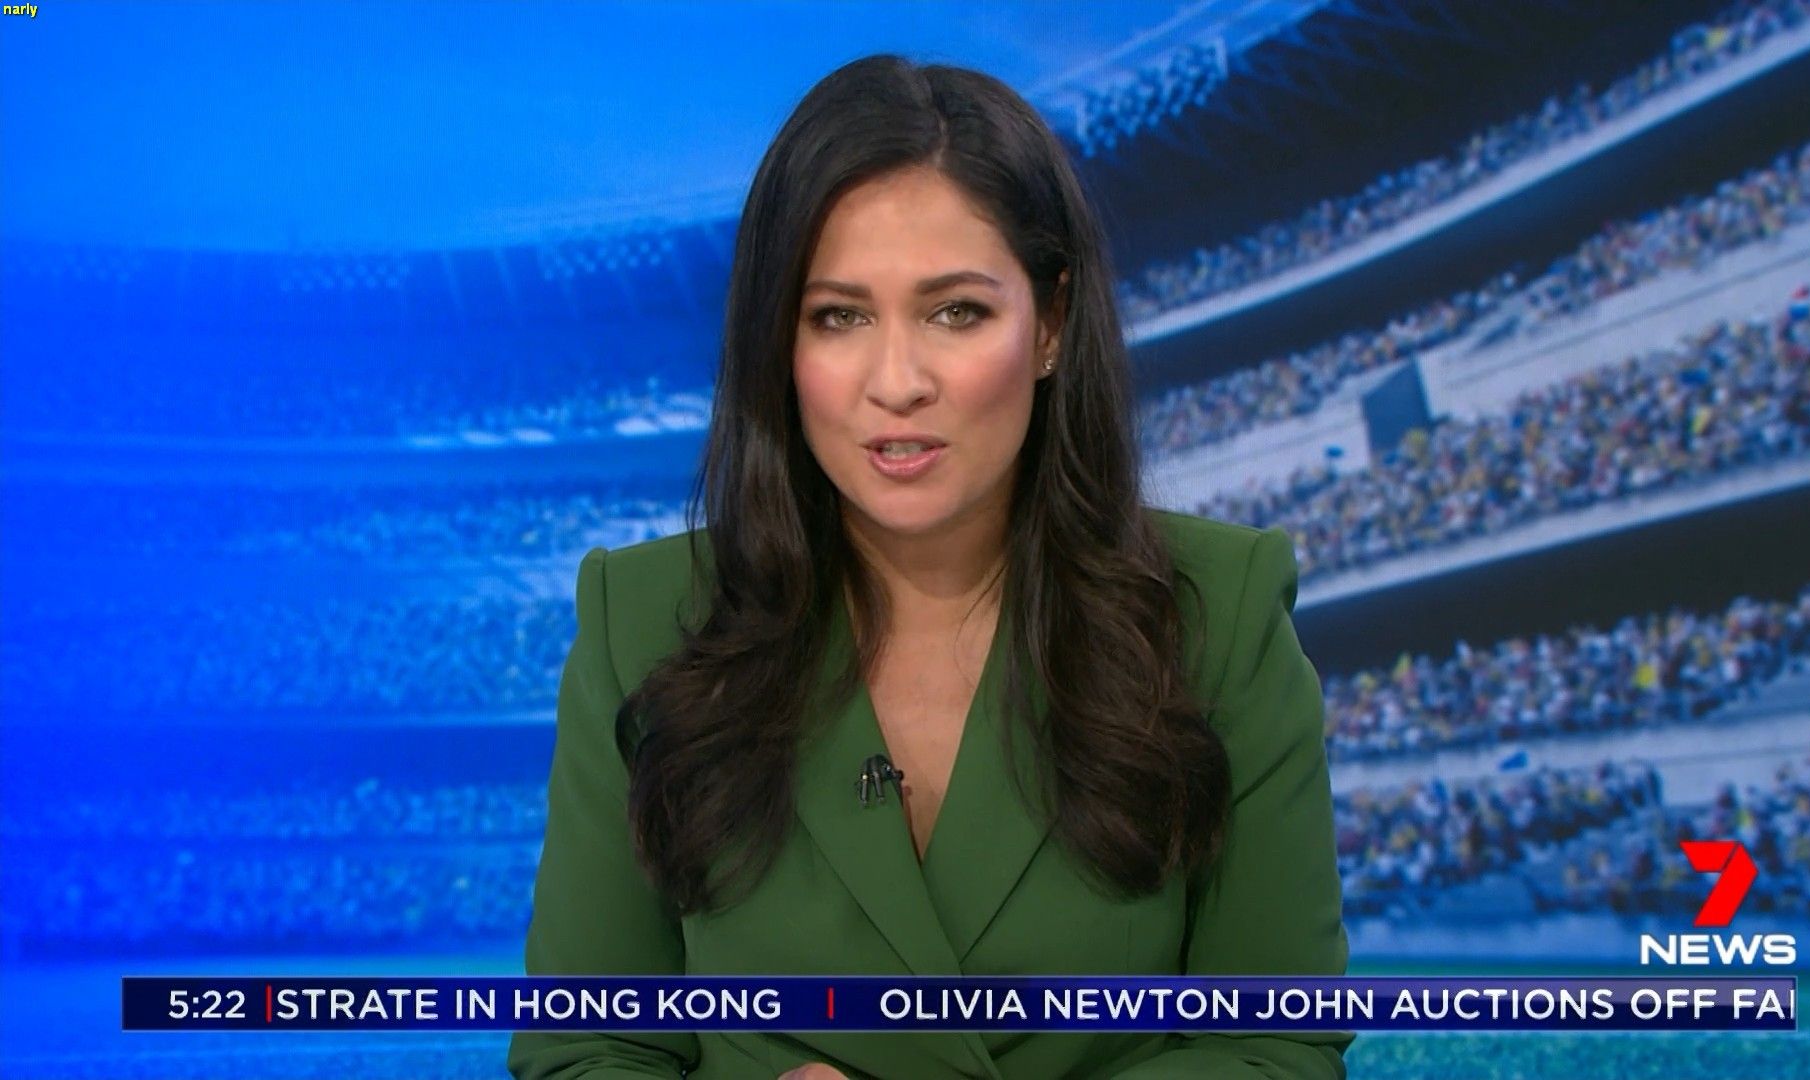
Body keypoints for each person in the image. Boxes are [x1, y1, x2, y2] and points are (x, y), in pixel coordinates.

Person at [508, 53, 1351, 1080]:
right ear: (779, 343)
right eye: (838, 316)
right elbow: (586, 1047)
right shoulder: (638, 617)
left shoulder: (1222, 608)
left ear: (1050, 323)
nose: (897, 381)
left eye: (956, 312)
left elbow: (1274, 1046)